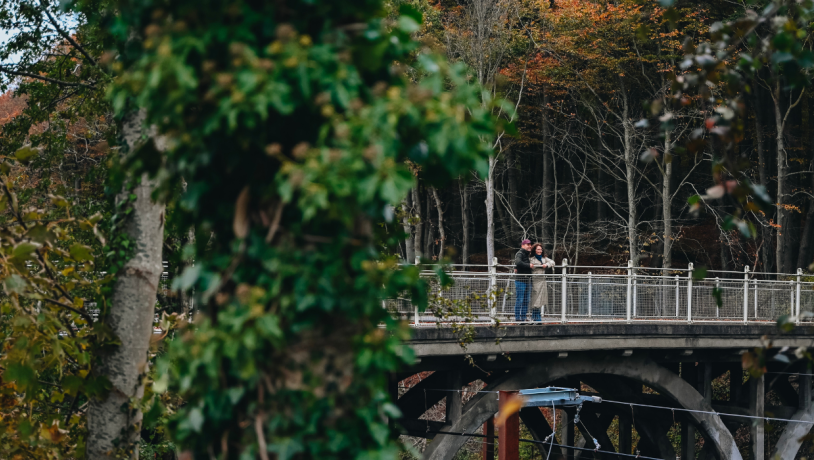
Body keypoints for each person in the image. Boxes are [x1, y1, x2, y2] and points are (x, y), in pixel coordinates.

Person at [529, 243, 555, 321]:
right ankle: (536, 318)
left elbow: (552, 262)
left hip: (542, 280)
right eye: (538, 249)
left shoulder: (544, 258)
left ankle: (536, 317)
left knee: (540, 298)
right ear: (535, 250)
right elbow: (529, 265)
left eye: (541, 249)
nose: (540, 251)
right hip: (535, 280)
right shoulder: (531, 258)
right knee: (536, 298)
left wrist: (546, 265)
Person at [514, 239, 533, 322]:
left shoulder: (528, 254)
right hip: (520, 280)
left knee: (526, 300)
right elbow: (518, 262)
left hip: (528, 280)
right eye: (527, 244)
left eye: (530, 244)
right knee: (520, 299)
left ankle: (523, 317)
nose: (529, 246)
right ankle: (518, 318)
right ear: (522, 245)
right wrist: (528, 265)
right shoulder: (520, 253)